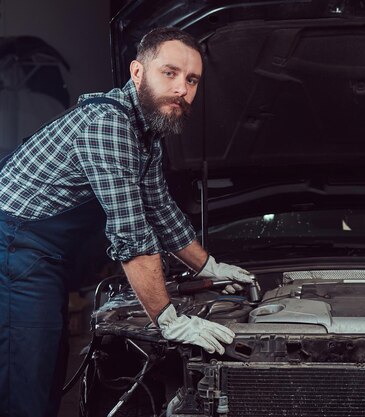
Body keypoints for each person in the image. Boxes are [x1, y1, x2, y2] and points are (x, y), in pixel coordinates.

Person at [0, 27, 249, 417]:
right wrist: (169, 321)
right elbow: (131, 231)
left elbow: (160, 207)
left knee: (49, 361)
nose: (182, 88)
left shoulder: (146, 131)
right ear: (137, 72)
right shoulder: (108, 124)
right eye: (170, 73)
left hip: (42, 250)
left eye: (192, 79)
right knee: (26, 374)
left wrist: (208, 267)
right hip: (14, 244)